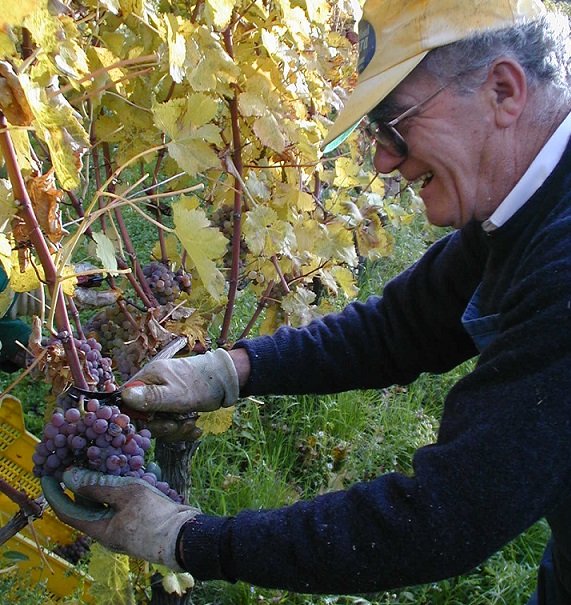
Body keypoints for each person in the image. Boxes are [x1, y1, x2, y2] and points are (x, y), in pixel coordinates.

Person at [42, 0, 571, 602]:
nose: (382, 160)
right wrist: (228, 370)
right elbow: (401, 327)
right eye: (375, 134)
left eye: (394, 125)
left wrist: (187, 538)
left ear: (504, 90)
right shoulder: (527, 200)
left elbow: (450, 511)